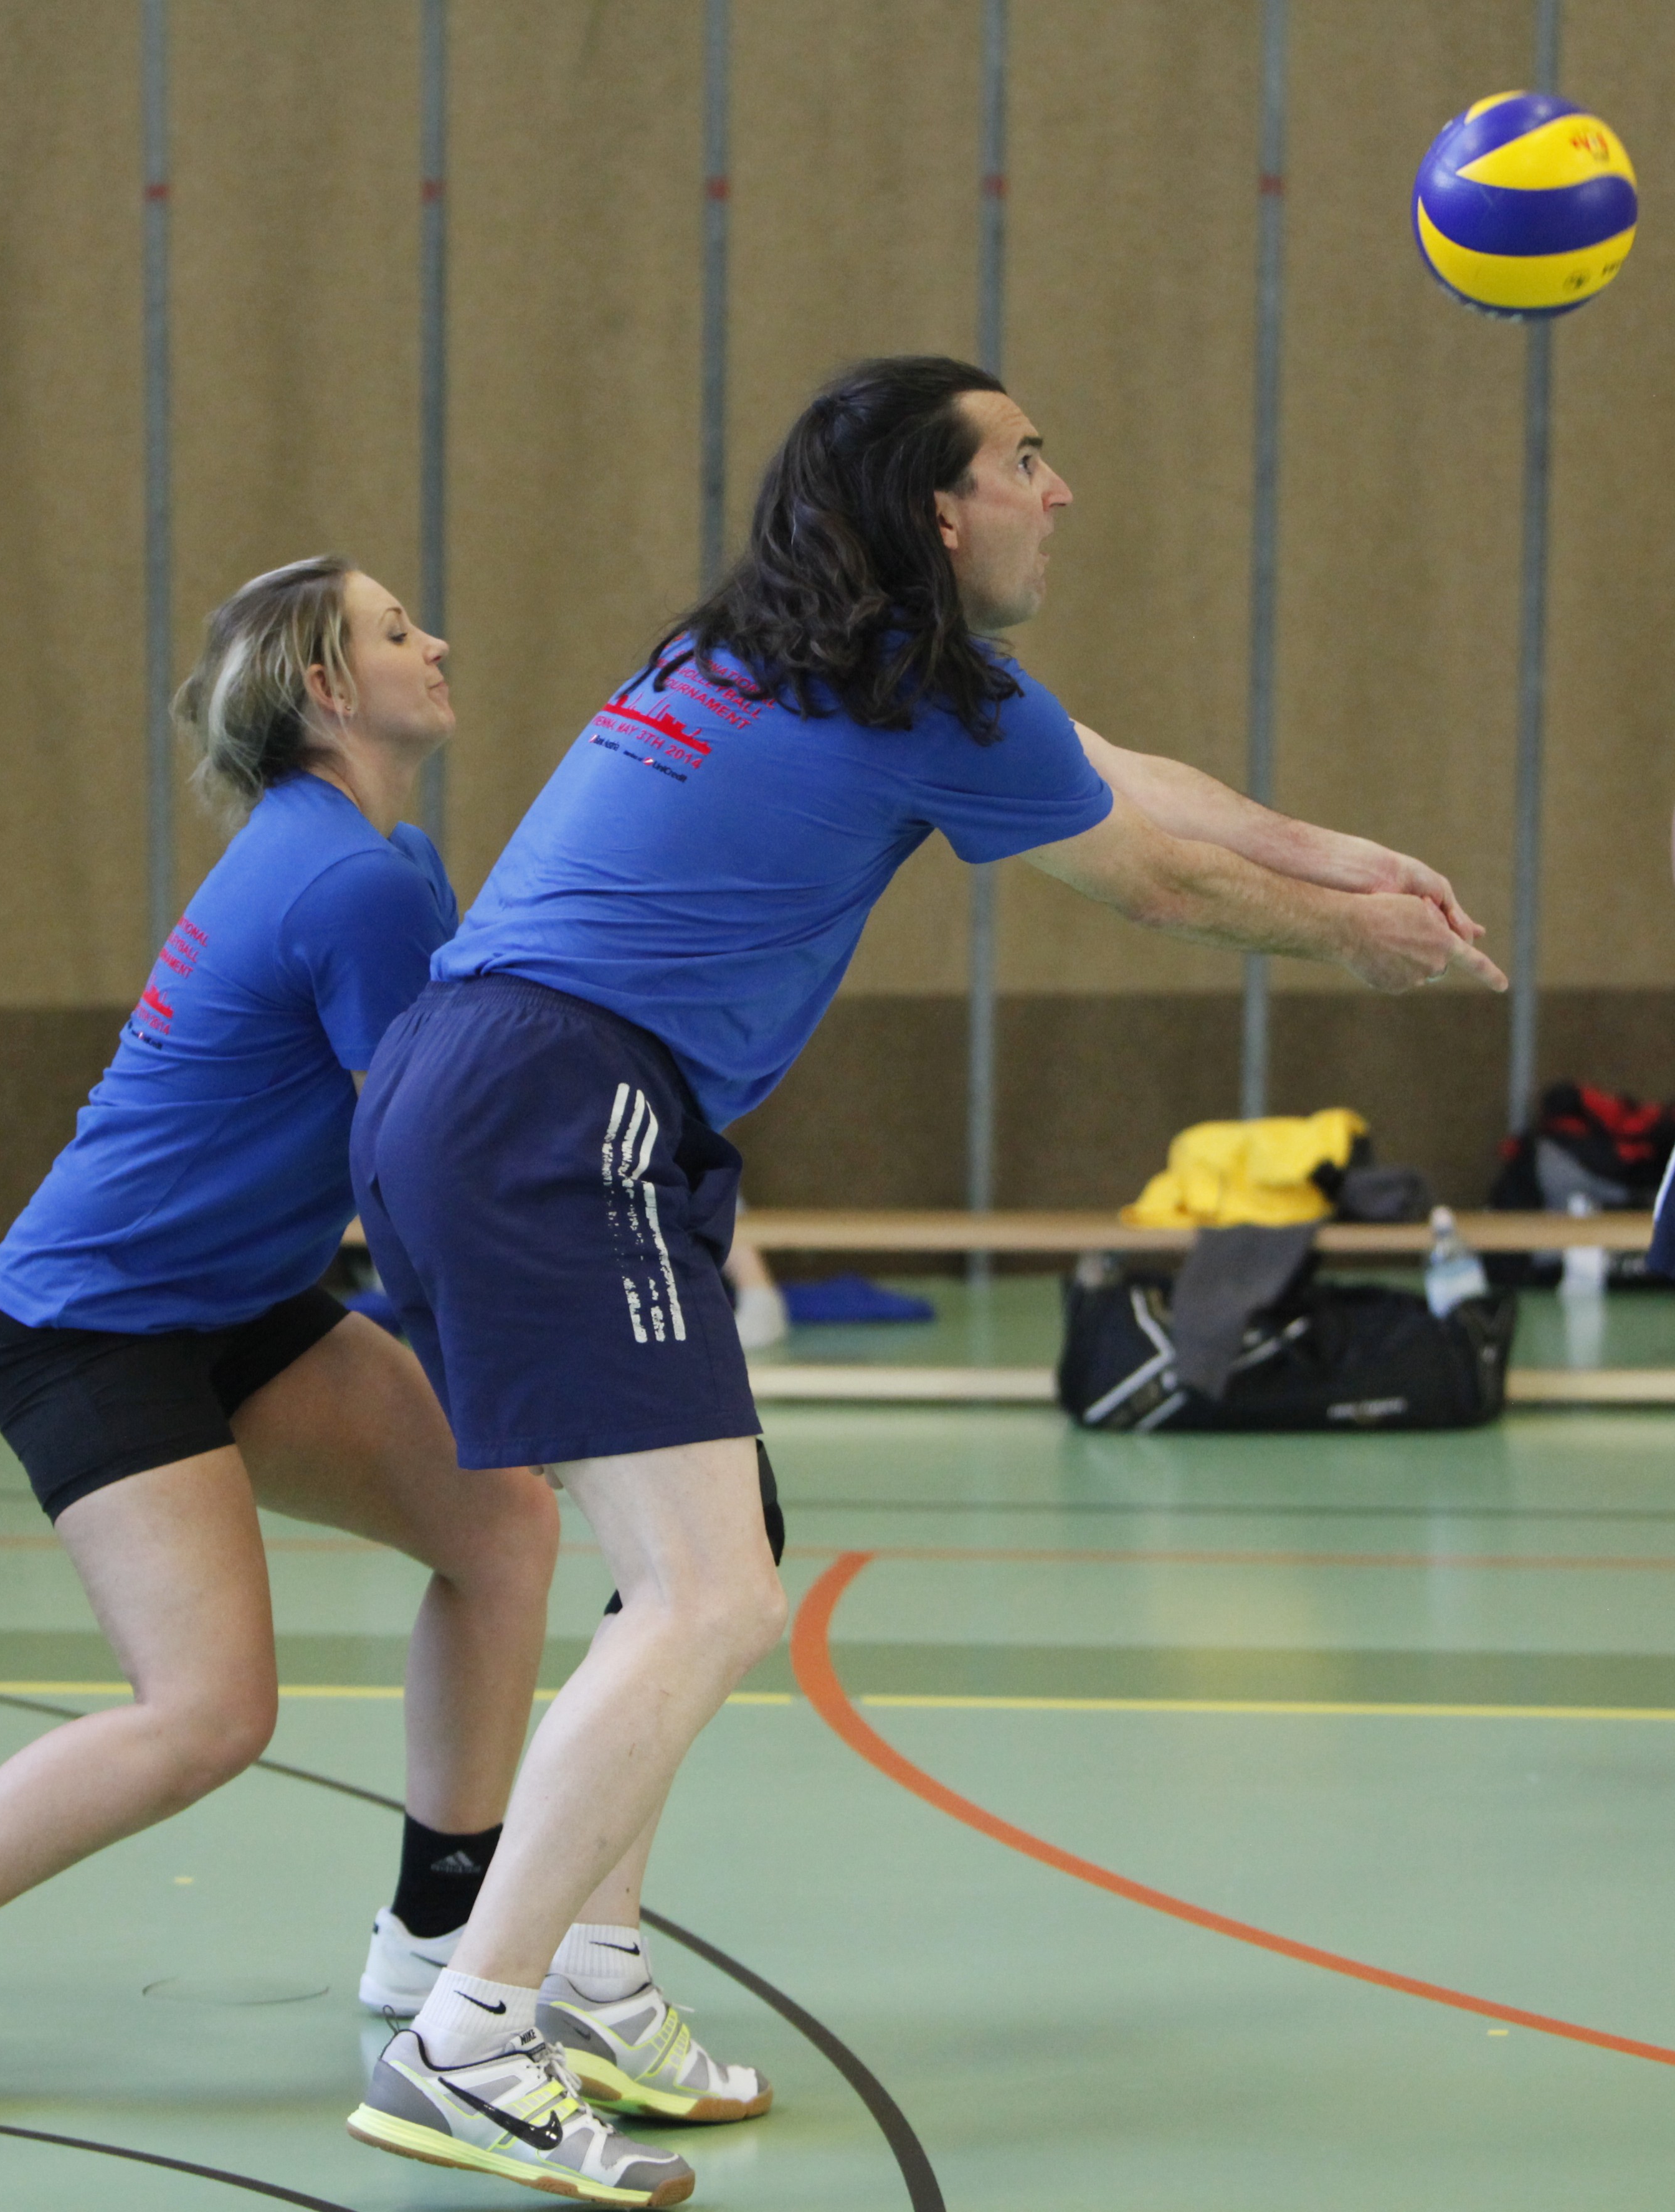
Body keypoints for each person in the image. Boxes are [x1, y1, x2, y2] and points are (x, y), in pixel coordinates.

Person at [346, 356, 1506, 2208]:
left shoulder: (788, 653)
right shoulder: (902, 694)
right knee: (711, 1597)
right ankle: (467, 2036)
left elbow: (1113, 774)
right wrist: (1356, 944)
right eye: (1022, 460)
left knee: (694, 1563)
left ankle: (593, 1982)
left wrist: (1340, 854)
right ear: (933, 512)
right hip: (558, 1105)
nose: (1059, 490)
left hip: (478, 1086)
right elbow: (1153, 880)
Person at [0, 558, 561, 2120]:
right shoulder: (352, 882)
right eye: (398, 630)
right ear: (326, 688)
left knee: (498, 1524)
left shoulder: (376, 856)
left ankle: (436, 1926)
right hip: (91, 1325)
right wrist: (529, 1350)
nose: (438, 640)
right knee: (209, 1714)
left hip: (232, 1302)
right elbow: (420, 1164)